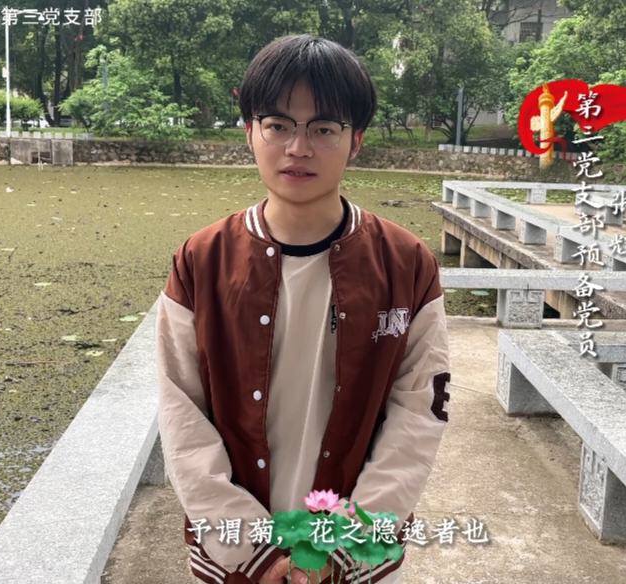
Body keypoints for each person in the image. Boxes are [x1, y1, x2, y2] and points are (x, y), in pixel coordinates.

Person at [155, 34, 451, 584]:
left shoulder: (406, 263)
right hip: (236, 556)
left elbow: (419, 410)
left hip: (355, 557)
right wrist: (254, 549)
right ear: (249, 132)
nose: (298, 147)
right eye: (278, 125)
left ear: (356, 140)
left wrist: (345, 544)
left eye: (323, 128)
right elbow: (181, 412)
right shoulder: (202, 260)